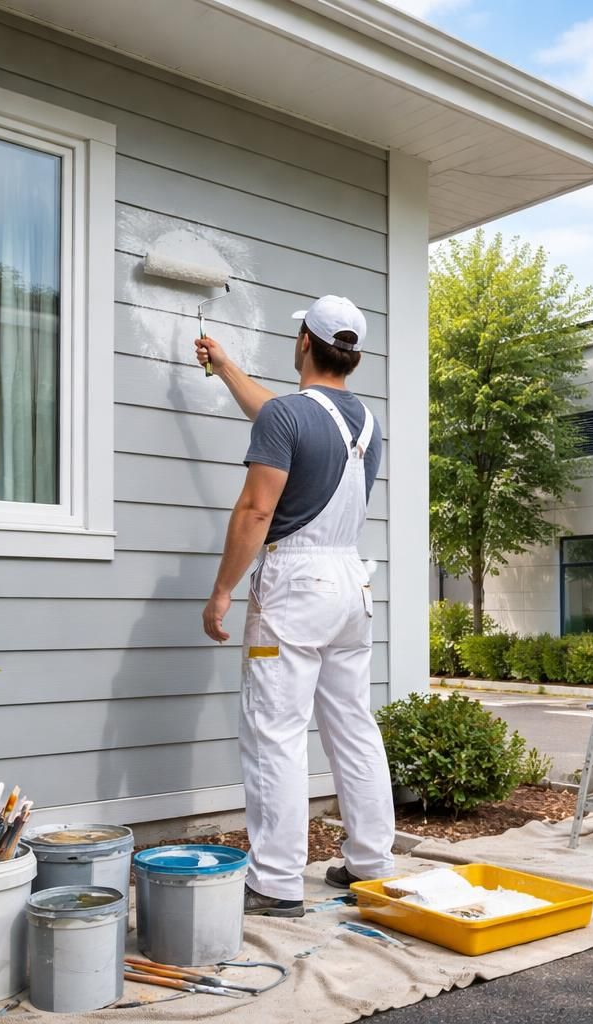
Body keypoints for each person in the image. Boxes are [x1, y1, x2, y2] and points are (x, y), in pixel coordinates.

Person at [197, 295, 394, 918]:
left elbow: (257, 510)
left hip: (293, 581)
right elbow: (284, 421)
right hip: (350, 583)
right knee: (352, 726)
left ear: (303, 344)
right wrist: (227, 368)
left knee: (276, 732)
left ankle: (276, 883)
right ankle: (370, 864)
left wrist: (225, 587)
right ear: (351, 356)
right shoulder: (365, 423)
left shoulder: (288, 419)